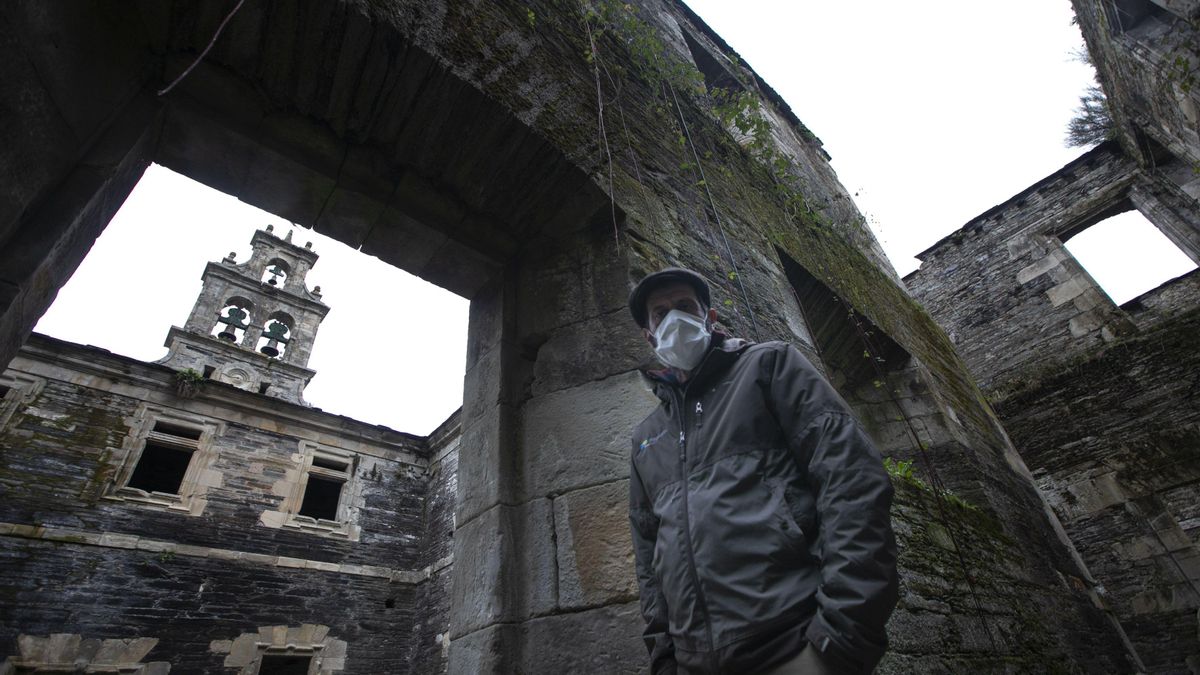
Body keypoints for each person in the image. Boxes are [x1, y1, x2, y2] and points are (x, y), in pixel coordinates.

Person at [627, 268, 898, 675]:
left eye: (684, 307)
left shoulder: (769, 366)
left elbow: (851, 481)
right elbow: (648, 557)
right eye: (660, 313)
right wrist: (665, 660)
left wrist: (837, 643)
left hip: (794, 646)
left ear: (709, 317)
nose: (673, 319)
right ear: (650, 336)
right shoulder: (646, 437)